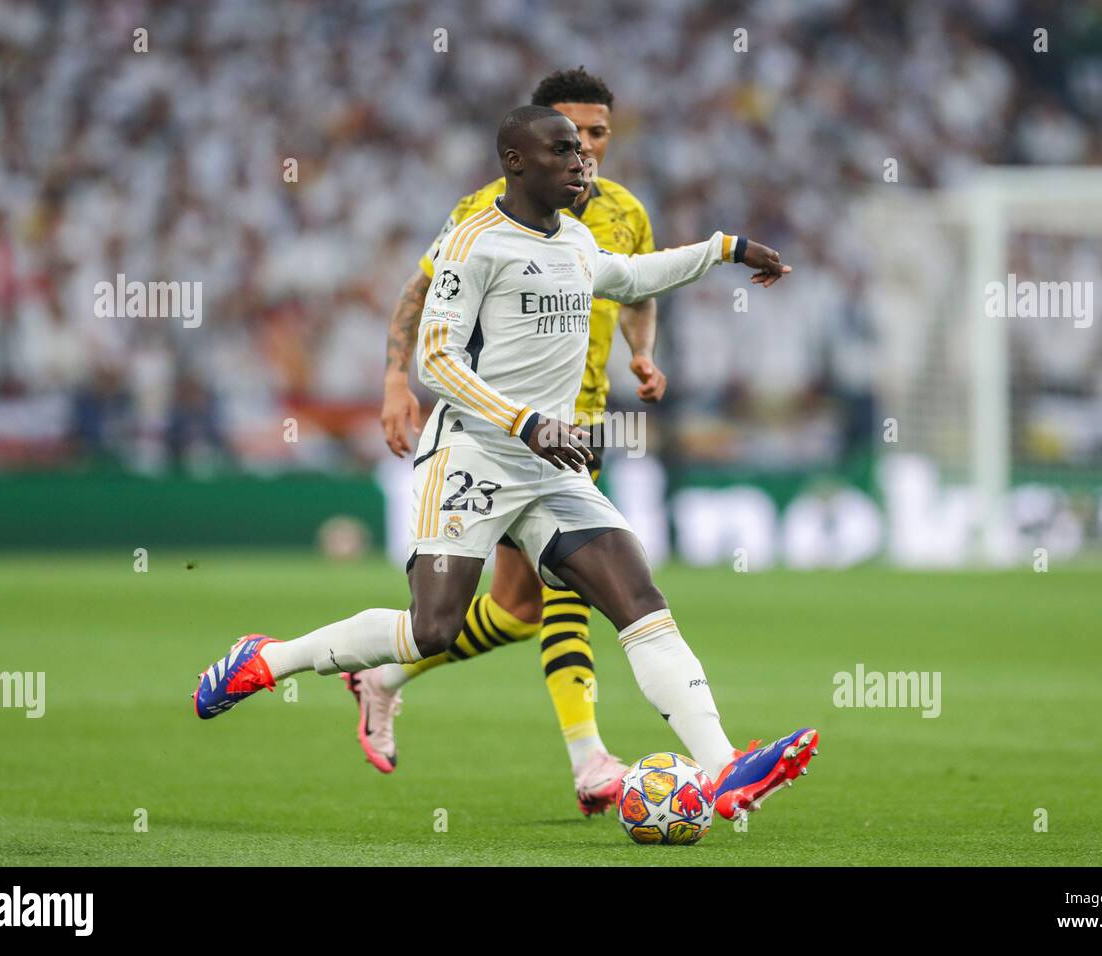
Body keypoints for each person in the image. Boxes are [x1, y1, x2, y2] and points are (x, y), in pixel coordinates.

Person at [193, 105, 818, 822]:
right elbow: (436, 358)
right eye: (562, 151)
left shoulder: (576, 241)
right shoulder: (474, 243)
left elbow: (635, 276)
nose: (582, 162)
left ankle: (725, 767)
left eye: (584, 151)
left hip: (550, 466)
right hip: (473, 455)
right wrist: (524, 421)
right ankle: (268, 660)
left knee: (638, 600)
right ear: (516, 163)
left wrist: (729, 249)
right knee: (434, 628)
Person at [356, 67, 665, 817]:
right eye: (571, 133)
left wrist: (642, 351)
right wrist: (397, 379)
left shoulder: (623, 211)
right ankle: (590, 759)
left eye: (598, 135)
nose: (585, 149)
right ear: (530, 139)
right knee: (568, 591)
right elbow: (421, 290)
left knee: (518, 610)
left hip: (577, 425)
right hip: (499, 429)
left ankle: (383, 675)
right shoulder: (483, 214)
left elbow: (637, 286)